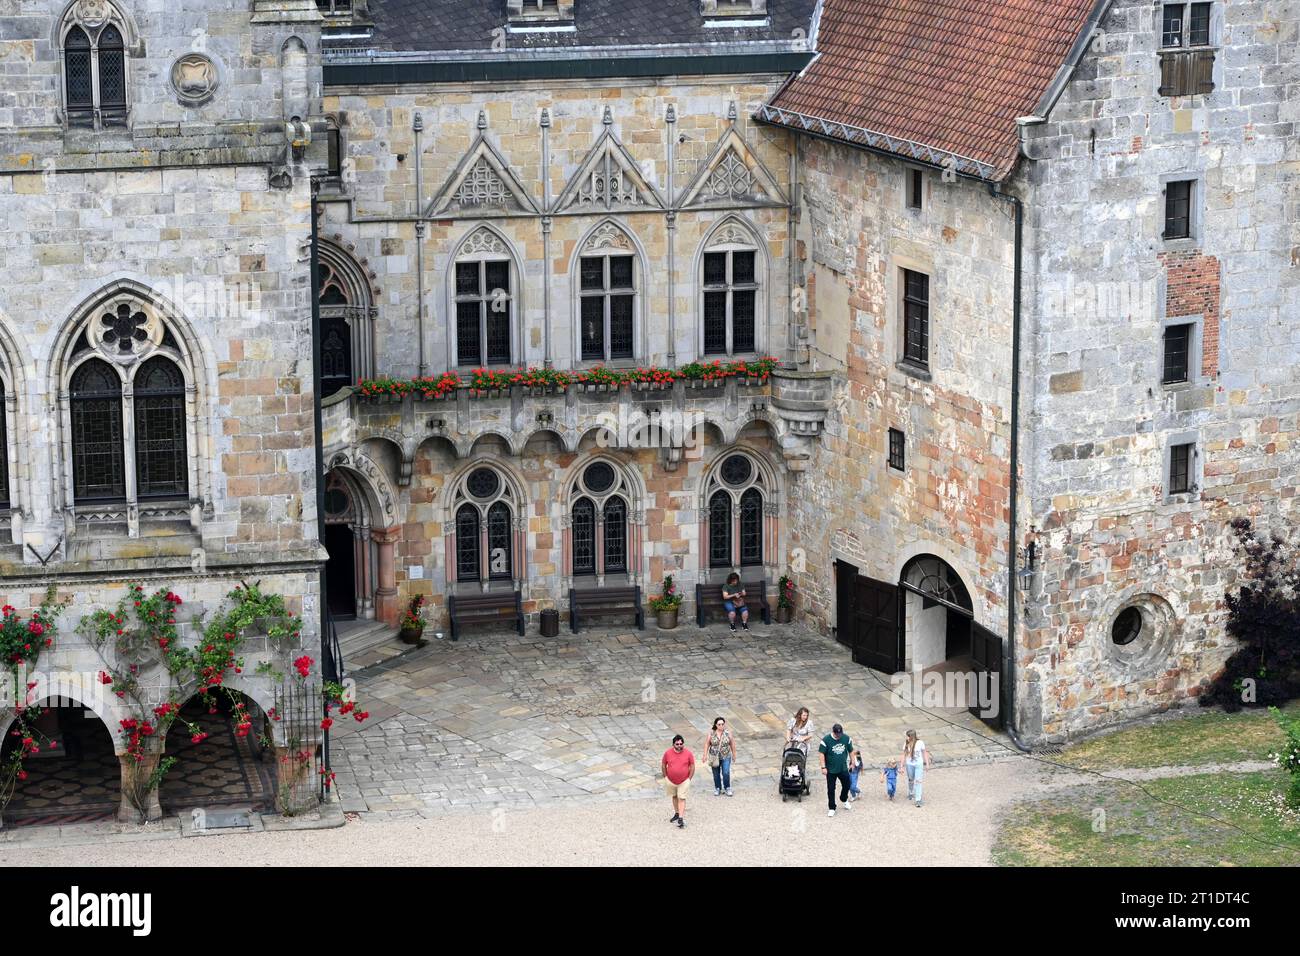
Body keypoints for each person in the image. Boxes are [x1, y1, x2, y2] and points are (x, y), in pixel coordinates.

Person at [818, 723, 855, 817]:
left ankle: (844, 798)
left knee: (847, 784)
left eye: (840, 734)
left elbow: (851, 751)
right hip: (830, 770)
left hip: (843, 767)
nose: (839, 736)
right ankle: (832, 808)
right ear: (833, 732)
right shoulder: (826, 740)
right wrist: (823, 767)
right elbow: (821, 754)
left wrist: (852, 762)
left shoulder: (846, 738)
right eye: (837, 734)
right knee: (831, 789)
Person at [662, 734, 695, 828]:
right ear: (673, 744)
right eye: (677, 744)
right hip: (671, 781)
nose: (679, 745)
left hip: (684, 781)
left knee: (682, 798)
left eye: (681, 743)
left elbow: (692, 766)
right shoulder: (667, 753)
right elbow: (664, 765)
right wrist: (665, 777)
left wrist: (689, 779)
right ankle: (676, 813)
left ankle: (680, 817)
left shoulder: (688, 753)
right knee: (674, 796)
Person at [702, 716, 737, 797]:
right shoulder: (711, 733)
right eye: (719, 724)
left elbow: (732, 743)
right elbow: (707, 744)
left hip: (726, 755)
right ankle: (718, 788)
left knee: (726, 772)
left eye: (722, 724)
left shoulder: (728, 733)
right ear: (716, 725)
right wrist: (705, 755)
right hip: (714, 757)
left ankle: (727, 787)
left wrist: (734, 754)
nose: (721, 726)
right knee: (716, 773)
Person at [902, 729, 932, 807]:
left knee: (918, 781)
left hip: (918, 764)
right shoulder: (906, 743)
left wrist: (927, 763)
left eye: (908, 736)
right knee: (911, 779)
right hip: (909, 764)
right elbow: (904, 754)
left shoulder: (920, 743)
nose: (907, 737)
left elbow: (924, 753)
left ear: (911, 736)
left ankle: (918, 799)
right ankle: (911, 791)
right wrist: (901, 765)